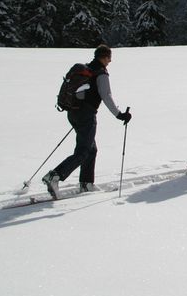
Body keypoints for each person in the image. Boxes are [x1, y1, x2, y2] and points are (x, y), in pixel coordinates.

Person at [43, 45, 131, 199]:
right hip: (86, 115)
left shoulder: (87, 70)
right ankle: (55, 176)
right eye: (109, 57)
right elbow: (106, 96)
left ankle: (86, 183)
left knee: (91, 149)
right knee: (84, 151)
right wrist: (119, 114)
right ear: (103, 57)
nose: (110, 61)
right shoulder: (101, 73)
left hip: (73, 113)